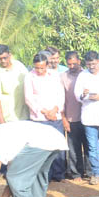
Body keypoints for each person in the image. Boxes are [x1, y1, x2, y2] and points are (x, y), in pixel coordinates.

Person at [23, 52, 66, 182]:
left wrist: (55, 109)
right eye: (37, 68)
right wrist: (44, 112)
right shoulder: (29, 77)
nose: (40, 70)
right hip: (39, 118)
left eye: (42, 67)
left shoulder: (54, 75)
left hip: (55, 116)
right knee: (42, 147)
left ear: (47, 65)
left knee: (58, 146)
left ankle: (59, 174)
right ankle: (44, 175)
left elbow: (60, 94)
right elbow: (28, 98)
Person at [74, 51, 99, 184]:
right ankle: (96, 172)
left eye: (93, 64)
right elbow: (77, 95)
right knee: (92, 147)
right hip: (89, 116)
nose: (92, 66)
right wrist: (85, 95)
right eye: (89, 64)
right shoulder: (83, 76)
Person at [60, 51, 86, 181]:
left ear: (79, 61)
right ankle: (76, 173)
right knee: (74, 148)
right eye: (69, 64)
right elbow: (61, 100)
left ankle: (90, 172)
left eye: (74, 64)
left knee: (89, 147)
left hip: (87, 117)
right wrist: (64, 119)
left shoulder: (87, 75)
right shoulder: (63, 77)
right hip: (71, 118)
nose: (71, 66)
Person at [0, 44, 28, 123]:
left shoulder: (19, 66)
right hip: (9, 120)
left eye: (5, 58)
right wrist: (2, 124)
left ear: (10, 55)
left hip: (26, 116)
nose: (3, 61)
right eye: (0, 59)